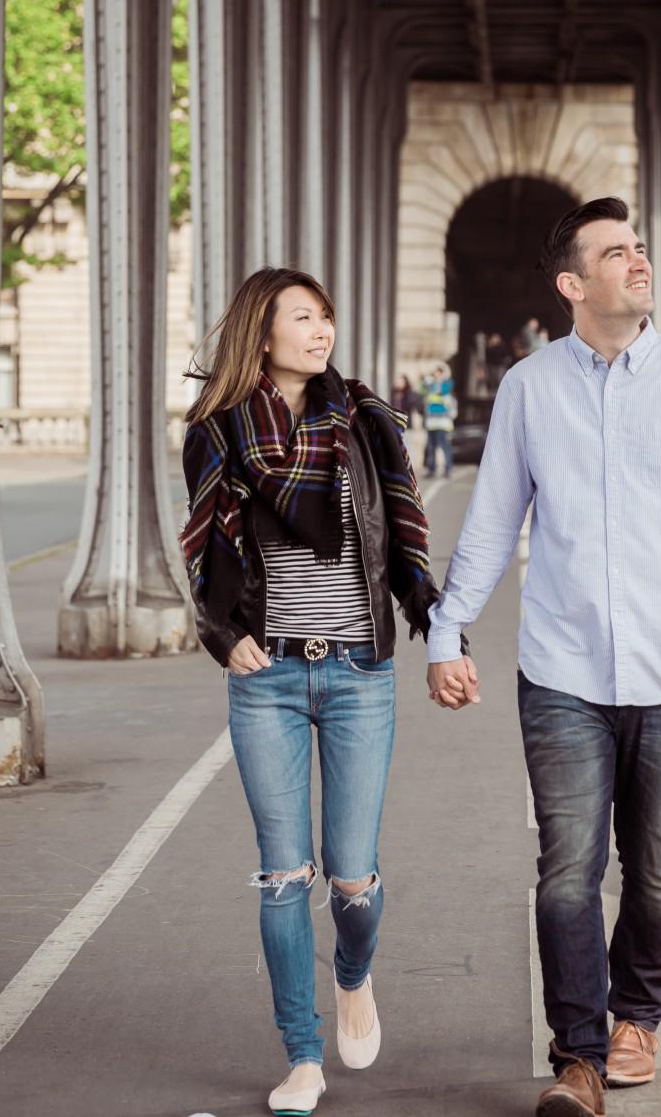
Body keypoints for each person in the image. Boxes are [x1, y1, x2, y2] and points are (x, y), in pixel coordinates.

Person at [424, 197, 661, 1117]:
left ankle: (637, 1016)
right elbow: (491, 524)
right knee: (568, 868)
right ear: (573, 284)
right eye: (616, 252)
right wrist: (446, 630)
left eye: (640, 246)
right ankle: (578, 1058)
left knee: (657, 862)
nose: (638, 260)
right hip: (562, 670)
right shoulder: (531, 388)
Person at [179, 267, 440, 1117]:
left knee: (352, 879)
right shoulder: (219, 432)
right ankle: (301, 1055)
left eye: (326, 315)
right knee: (284, 877)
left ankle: (354, 973)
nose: (321, 329)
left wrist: (436, 620)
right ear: (263, 333)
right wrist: (223, 637)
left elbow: (400, 535)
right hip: (271, 679)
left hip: (359, 672)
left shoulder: (365, 422)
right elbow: (204, 556)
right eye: (303, 317)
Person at [420, 364, 456, 478]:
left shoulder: (446, 384)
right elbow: (422, 388)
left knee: (445, 447)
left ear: (442, 373)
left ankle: (448, 469)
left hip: (443, 423)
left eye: (437, 373)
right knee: (431, 447)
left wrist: (436, 381)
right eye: (434, 373)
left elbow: (443, 390)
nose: (435, 375)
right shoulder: (431, 386)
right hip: (431, 423)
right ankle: (432, 469)